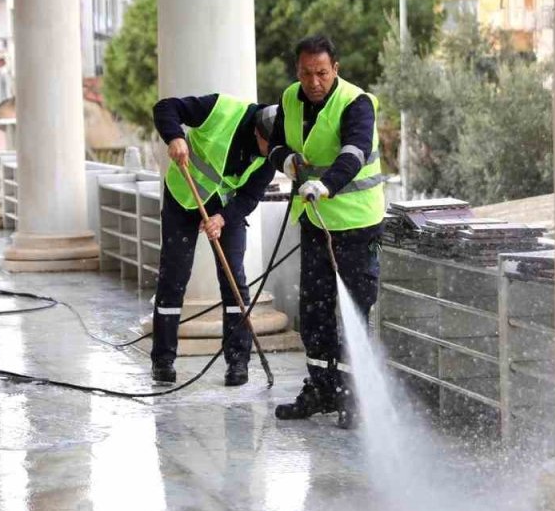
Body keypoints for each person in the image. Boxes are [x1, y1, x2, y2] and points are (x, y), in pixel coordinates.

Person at [266, 35, 386, 425]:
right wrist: (286, 162)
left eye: (321, 73)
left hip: (357, 224)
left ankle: (352, 398)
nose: (314, 82)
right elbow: (277, 145)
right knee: (314, 311)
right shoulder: (289, 99)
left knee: (353, 310)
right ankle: (321, 390)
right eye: (306, 74)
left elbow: (354, 152)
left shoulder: (356, 103)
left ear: (336, 68)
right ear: (297, 71)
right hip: (316, 223)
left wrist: (327, 184)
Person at [150, 92, 278, 386]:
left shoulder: (272, 153)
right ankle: (163, 360)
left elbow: (250, 195)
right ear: (258, 131)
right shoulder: (220, 110)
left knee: (234, 280)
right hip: (184, 195)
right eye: (268, 146)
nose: (271, 154)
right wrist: (174, 137)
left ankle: (237, 362)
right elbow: (165, 107)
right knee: (174, 276)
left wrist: (223, 218)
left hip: (225, 207)